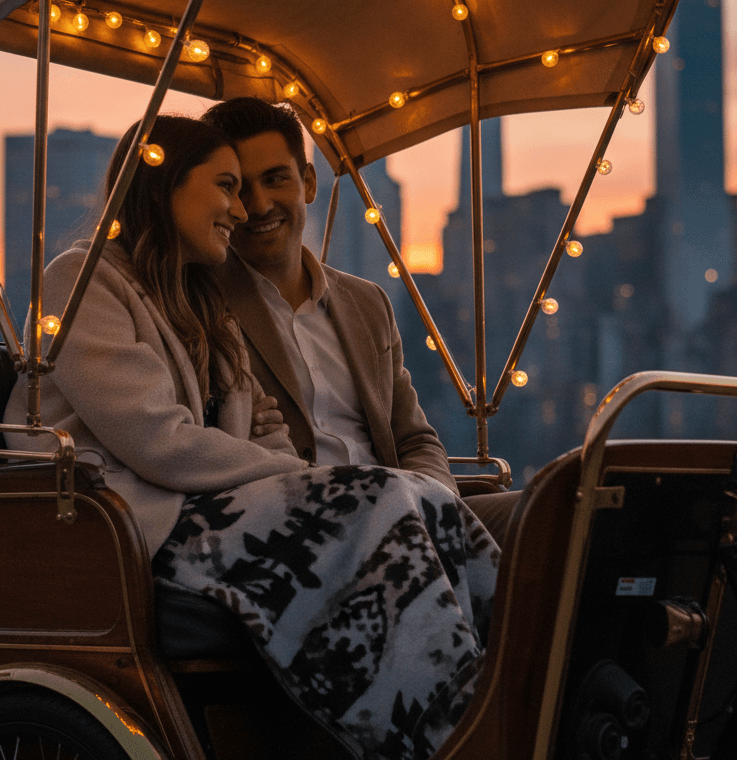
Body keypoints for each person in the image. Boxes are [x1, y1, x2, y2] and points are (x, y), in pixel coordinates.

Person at [3, 114, 499, 760]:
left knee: (425, 498)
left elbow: (254, 424)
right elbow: (159, 441)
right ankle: (429, 727)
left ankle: (496, 692)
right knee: (372, 498)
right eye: (227, 188)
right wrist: (297, 477)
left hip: (198, 504)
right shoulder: (82, 278)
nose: (240, 211)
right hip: (133, 517)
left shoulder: (196, 301)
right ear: (168, 186)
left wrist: (286, 466)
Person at [199, 98, 520, 541]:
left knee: (556, 511)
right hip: (305, 528)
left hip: (405, 510)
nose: (259, 205)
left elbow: (415, 441)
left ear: (308, 183)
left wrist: (431, 506)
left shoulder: (367, 303)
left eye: (276, 179)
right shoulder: (201, 306)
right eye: (239, 189)